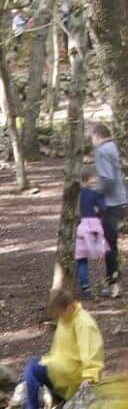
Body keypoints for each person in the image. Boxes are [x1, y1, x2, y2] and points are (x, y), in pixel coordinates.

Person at [21, 284, 104, 409]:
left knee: (32, 368)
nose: (58, 315)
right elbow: (60, 348)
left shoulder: (84, 323)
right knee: (30, 371)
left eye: (59, 311)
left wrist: (90, 376)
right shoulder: (66, 318)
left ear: (69, 306)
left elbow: (92, 352)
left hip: (74, 375)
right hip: (61, 368)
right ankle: (51, 402)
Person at [91, 121, 126, 296]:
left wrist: (94, 195)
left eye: (92, 137)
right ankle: (114, 280)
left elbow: (107, 179)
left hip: (111, 204)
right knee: (111, 243)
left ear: (97, 135)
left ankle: (113, 285)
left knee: (110, 245)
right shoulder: (112, 146)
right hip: (120, 201)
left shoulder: (101, 150)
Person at [75, 165, 106, 296]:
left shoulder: (79, 193)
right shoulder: (95, 193)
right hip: (94, 226)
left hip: (81, 227)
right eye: (94, 179)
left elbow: (77, 212)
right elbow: (103, 208)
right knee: (102, 255)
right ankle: (106, 283)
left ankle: (85, 286)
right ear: (88, 179)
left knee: (81, 258)